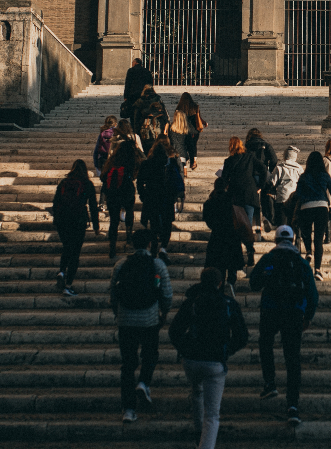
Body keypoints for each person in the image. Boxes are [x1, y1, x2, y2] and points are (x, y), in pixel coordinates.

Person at [169, 267, 248, 449]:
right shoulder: (228, 303)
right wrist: (226, 351)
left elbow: (174, 331)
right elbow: (242, 336)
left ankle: (198, 432)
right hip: (214, 362)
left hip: (191, 360)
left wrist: (185, 348)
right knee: (212, 415)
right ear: (220, 283)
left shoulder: (192, 302)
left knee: (197, 390)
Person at [250, 225, 318, 427]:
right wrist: (308, 316)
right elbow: (312, 293)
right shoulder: (300, 262)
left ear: (276, 240)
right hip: (294, 313)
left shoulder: (269, 258)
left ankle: (270, 382)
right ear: (294, 240)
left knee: (265, 344)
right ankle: (293, 406)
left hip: (270, 310)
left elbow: (253, 283)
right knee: (292, 359)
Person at [110, 228, 173, 424]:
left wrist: (118, 313)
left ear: (132, 244)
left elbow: (113, 293)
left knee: (128, 365)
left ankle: (128, 409)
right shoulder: (157, 264)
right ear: (149, 244)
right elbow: (167, 294)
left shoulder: (121, 265)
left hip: (126, 320)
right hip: (149, 319)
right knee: (150, 354)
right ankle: (144, 382)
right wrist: (163, 312)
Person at [51, 159, 101, 297]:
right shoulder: (87, 184)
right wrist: (96, 226)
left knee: (67, 247)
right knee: (75, 253)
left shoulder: (64, 183)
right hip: (78, 220)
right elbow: (93, 206)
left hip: (63, 220)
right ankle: (68, 285)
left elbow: (55, 202)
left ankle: (61, 271)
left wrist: (56, 220)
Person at [293, 151, 331, 280]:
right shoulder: (325, 176)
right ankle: (317, 270)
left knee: (306, 233)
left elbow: (297, 195)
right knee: (319, 240)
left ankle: (308, 251)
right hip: (322, 207)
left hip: (306, 207)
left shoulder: (303, 176)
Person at [219, 136, 268, 267]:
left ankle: (239, 253)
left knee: (236, 225)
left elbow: (224, 179)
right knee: (247, 225)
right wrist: (260, 186)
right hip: (250, 194)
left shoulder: (228, 161)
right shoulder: (250, 157)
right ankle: (250, 250)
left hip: (235, 196)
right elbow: (263, 169)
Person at [136, 135, 185, 264]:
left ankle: (153, 247)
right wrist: (177, 194)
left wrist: (143, 195)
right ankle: (163, 248)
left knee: (153, 223)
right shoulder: (170, 163)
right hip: (167, 198)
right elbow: (178, 177)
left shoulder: (147, 163)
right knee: (167, 222)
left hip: (151, 198)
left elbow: (140, 181)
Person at [202, 177, 244, 296]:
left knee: (217, 265)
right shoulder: (232, 200)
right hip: (232, 237)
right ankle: (231, 284)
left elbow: (208, 220)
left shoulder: (210, 202)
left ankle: (218, 288)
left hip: (217, 237)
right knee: (231, 265)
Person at [101, 140, 142, 257]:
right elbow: (137, 171)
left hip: (112, 193)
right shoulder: (131, 160)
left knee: (113, 220)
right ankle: (129, 236)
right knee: (129, 211)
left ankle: (112, 246)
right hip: (126, 190)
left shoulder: (111, 161)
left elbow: (103, 176)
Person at [245, 128, 279, 230]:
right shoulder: (266, 145)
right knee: (266, 194)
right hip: (263, 174)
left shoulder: (246, 146)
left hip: (250, 175)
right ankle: (266, 216)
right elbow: (274, 159)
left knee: (251, 200)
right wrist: (271, 170)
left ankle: (252, 222)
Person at [269, 146, 302, 229]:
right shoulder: (299, 168)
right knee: (292, 218)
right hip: (294, 196)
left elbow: (273, 182)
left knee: (282, 221)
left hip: (282, 197)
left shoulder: (279, 167)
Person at [175, 92, 207, 171]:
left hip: (183, 130)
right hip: (194, 130)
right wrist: (204, 123)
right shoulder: (195, 106)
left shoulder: (179, 107)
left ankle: (184, 165)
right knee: (193, 146)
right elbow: (198, 117)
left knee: (184, 147)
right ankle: (194, 162)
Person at [93, 116, 118, 211]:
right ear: (115, 124)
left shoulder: (102, 133)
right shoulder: (117, 133)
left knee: (105, 182)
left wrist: (96, 164)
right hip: (114, 158)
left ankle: (101, 203)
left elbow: (96, 150)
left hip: (103, 159)